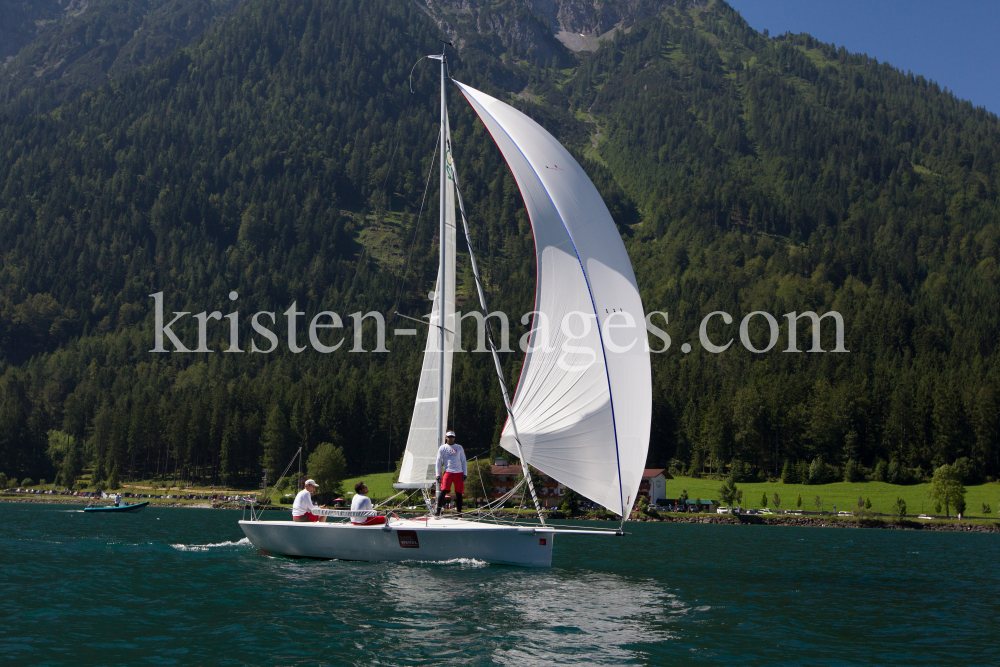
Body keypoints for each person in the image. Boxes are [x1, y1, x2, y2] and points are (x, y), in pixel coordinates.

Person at [435, 430, 467, 516]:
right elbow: (438, 461)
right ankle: (438, 512)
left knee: (459, 493)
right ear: (446, 437)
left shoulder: (459, 447)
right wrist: (438, 475)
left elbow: (463, 460)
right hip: (448, 472)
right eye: (449, 437)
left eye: (452, 437)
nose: (451, 439)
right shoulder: (442, 448)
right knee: (443, 490)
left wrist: (465, 473)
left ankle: (459, 513)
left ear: (454, 438)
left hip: (459, 472)